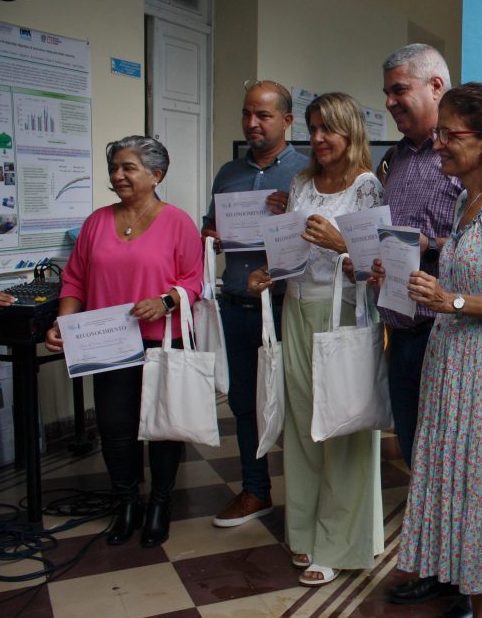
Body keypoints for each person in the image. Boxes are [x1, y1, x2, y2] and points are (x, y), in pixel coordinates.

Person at [376, 82, 482, 618]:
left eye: (450, 134)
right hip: (453, 371)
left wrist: (451, 301)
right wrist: (403, 277)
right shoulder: (465, 200)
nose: (439, 144)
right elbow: (467, 275)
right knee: (469, 511)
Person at [247, 92, 384, 587]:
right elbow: (289, 248)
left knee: (342, 425)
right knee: (304, 423)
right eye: (313, 129)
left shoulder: (367, 186)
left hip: (343, 312)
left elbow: (376, 263)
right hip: (295, 307)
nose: (319, 139)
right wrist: (268, 270)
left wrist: (342, 244)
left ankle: (339, 543)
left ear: (350, 131)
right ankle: (303, 531)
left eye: (329, 129)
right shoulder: (300, 181)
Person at [45, 136, 203, 548]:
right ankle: (127, 503)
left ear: (156, 175)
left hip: (161, 340)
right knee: (115, 429)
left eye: (128, 168)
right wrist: (63, 323)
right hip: (107, 343)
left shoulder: (178, 222)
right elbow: (74, 278)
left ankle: (160, 505)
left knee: (163, 429)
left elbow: (194, 280)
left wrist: (164, 301)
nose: (118, 176)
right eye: (115, 167)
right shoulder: (97, 222)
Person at [372, 43, 467, 612]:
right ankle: (436, 566)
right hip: (400, 331)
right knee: (416, 454)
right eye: (387, 91)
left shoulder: (464, 156)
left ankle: (463, 578)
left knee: (449, 458)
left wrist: (422, 246)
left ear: (436, 88)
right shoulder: (396, 159)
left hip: (445, 334)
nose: (389, 102)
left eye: (398, 89)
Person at [202, 80, 308, 528]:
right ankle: (255, 491)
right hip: (237, 305)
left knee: (300, 404)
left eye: (263, 115)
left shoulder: (305, 173)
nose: (252, 124)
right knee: (245, 403)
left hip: (288, 308)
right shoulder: (228, 172)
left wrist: (291, 217)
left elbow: (322, 241)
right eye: (247, 114)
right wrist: (214, 236)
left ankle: (305, 502)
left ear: (287, 120)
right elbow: (209, 231)